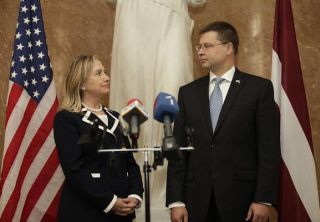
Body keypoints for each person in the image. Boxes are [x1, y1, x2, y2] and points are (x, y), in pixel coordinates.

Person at [166, 21, 281, 222]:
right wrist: (176, 201)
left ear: (228, 48)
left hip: (243, 200)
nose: (200, 52)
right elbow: (178, 150)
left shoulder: (259, 89)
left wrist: (263, 199)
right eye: (199, 47)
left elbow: (268, 149)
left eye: (207, 46)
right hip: (197, 201)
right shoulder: (188, 92)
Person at [54, 55, 143, 222]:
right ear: (81, 83)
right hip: (86, 212)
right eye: (99, 73)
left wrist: (135, 194)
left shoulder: (116, 117)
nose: (107, 77)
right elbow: (74, 169)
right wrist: (110, 202)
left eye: (106, 72)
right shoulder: (66, 118)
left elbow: (130, 162)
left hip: (122, 212)